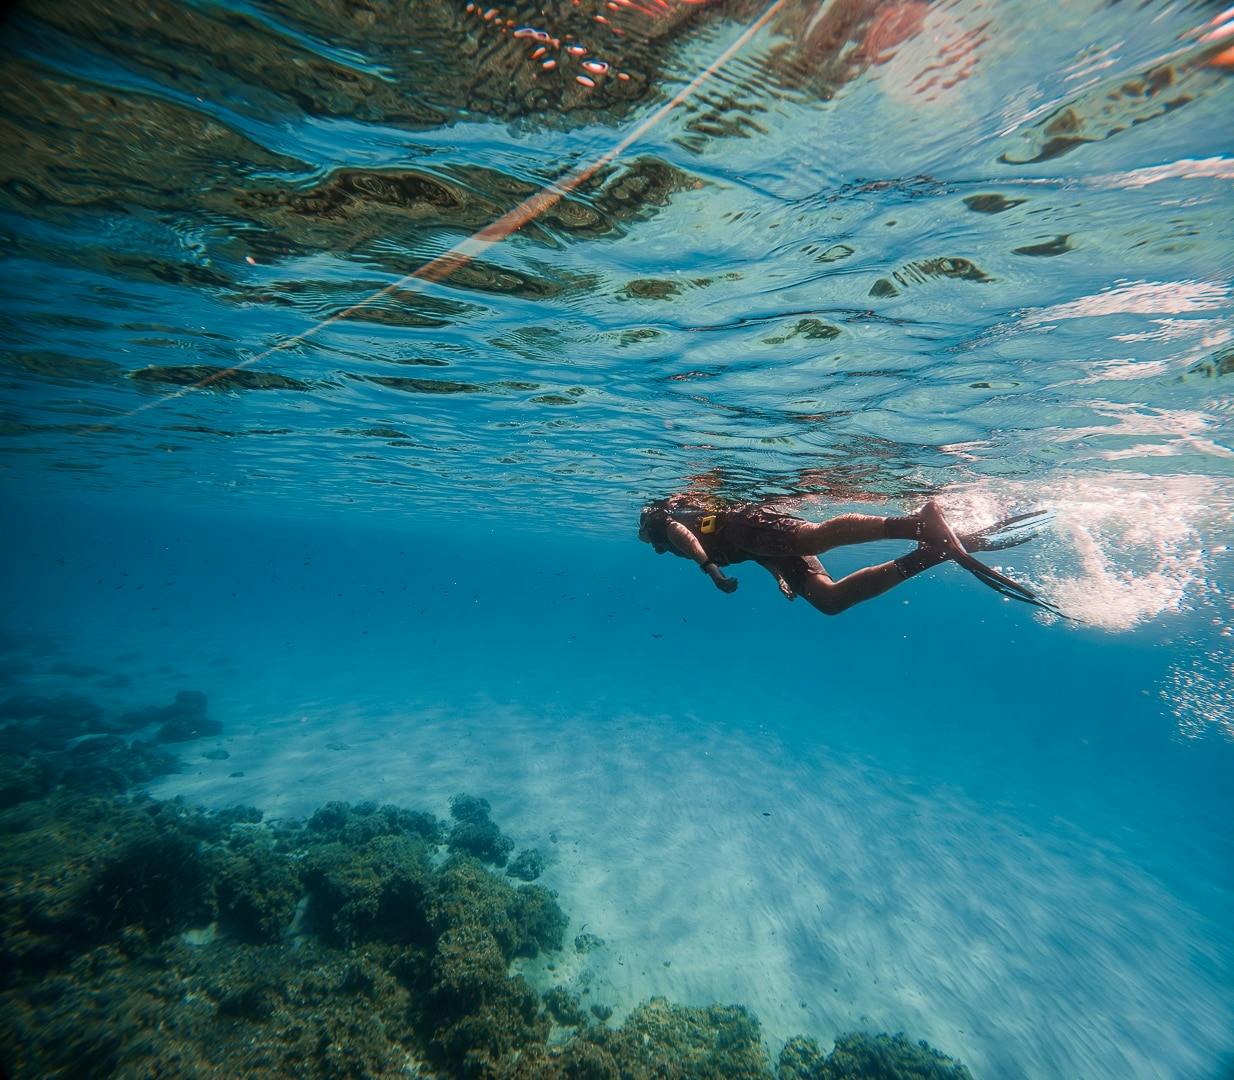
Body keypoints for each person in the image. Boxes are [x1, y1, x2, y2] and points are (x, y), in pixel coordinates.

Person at [637, 494, 1055, 616]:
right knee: (828, 600)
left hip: (743, 522)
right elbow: (755, 552)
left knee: (812, 539)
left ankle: (916, 524)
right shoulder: (674, 535)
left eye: (647, 539)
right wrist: (779, 574)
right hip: (749, 541)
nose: (652, 545)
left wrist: (709, 568)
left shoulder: (661, 521)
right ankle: (929, 554)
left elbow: (678, 533)